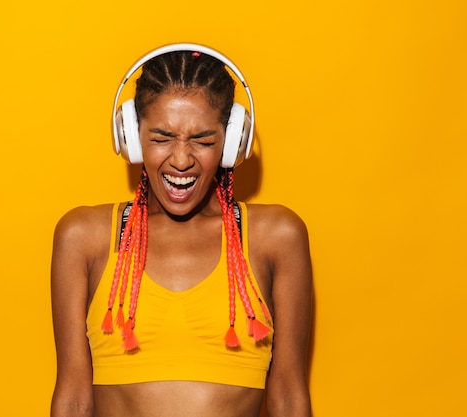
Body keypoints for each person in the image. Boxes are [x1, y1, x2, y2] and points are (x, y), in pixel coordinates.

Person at [50, 44, 312, 417]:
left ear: (232, 142)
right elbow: (74, 400)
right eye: (161, 138)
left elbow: (288, 396)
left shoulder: (277, 237)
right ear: (131, 137)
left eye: (203, 140)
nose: (181, 159)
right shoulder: (83, 237)